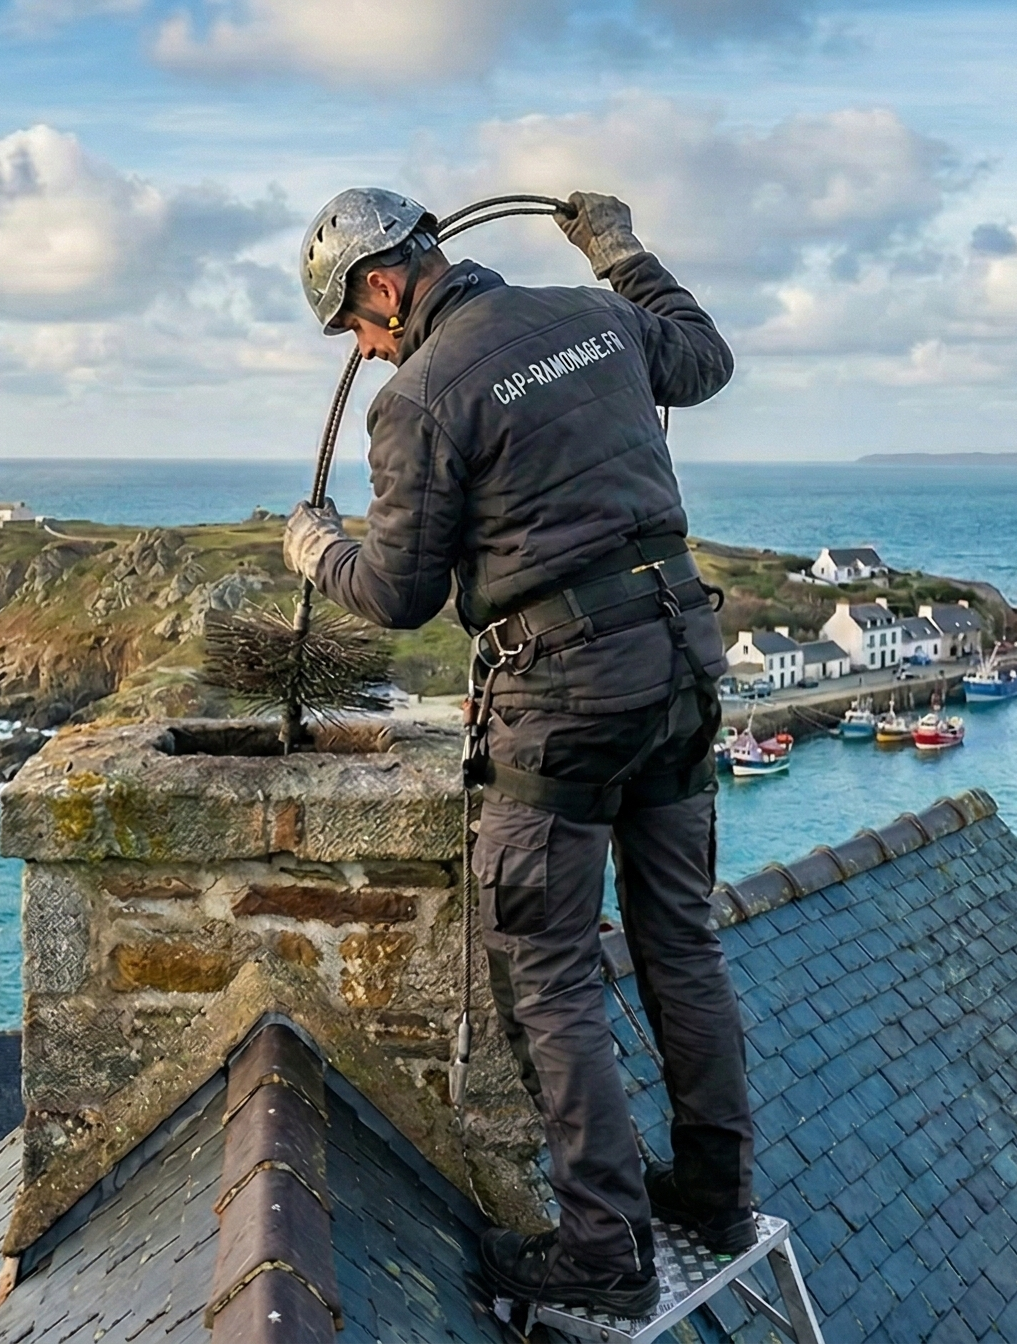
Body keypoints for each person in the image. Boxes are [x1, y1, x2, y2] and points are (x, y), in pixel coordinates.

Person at [282, 187, 755, 1317]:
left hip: (568, 690)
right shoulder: (593, 318)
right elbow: (706, 359)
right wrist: (616, 248)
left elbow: (399, 593)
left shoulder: (418, 397)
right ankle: (714, 1195)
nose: (363, 345)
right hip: (681, 659)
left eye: (355, 324)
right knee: (679, 938)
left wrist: (317, 548)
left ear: (385, 286)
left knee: (544, 965)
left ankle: (604, 1250)